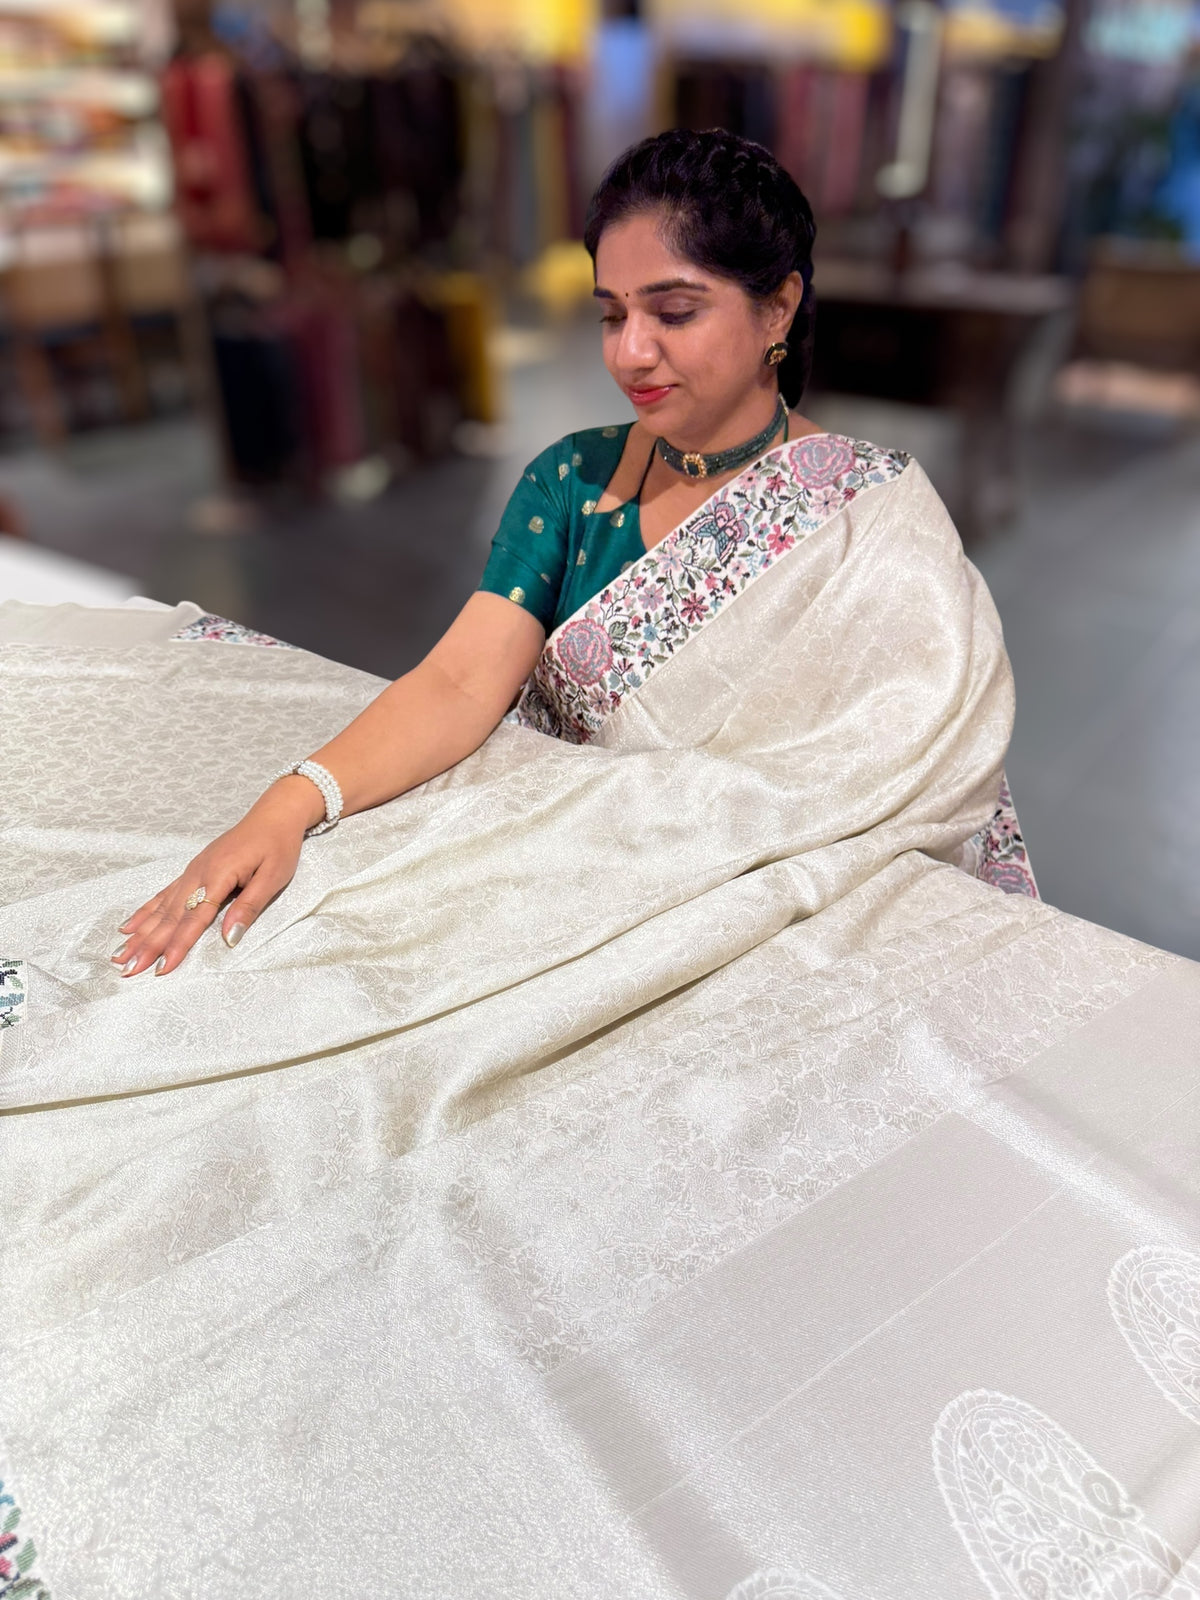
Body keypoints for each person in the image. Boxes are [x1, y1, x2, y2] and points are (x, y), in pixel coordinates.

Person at [110, 129, 837, 979]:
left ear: (778, 307)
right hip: (561, 870)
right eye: (611, 314)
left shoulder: (861, 515)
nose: (629, 352)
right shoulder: (575, 481)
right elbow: (461, 683)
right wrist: (288, 805)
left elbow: (877, 762)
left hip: (765, 905)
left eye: (673, 313)